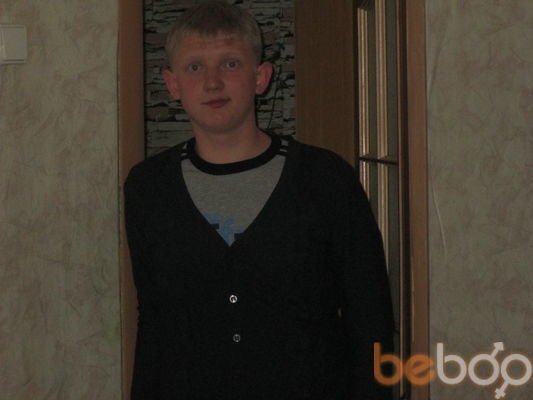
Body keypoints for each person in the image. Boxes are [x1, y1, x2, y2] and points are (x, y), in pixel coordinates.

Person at [124, 1, 394, 399]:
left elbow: (370, 317)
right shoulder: (148, 188)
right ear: (173, 84)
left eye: (230, 64)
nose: (213, 82)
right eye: (195, 67)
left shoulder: (326, 179)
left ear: (260, 77)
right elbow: (153, 321)